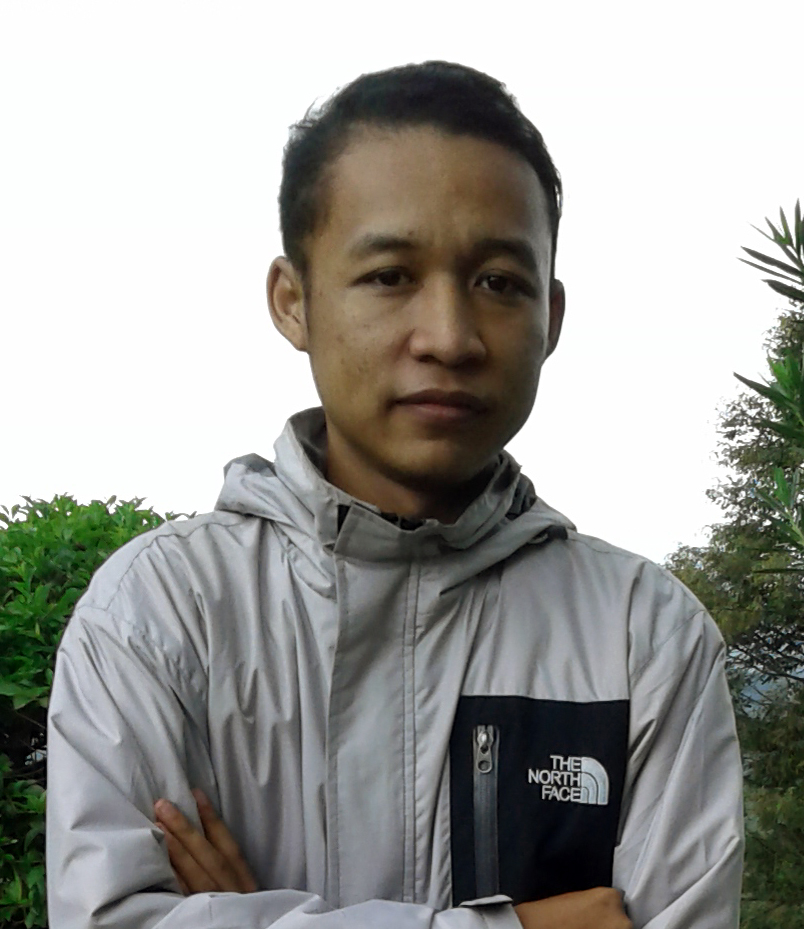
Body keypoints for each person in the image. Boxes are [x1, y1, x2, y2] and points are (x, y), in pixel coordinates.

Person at [46, 61, 743, 929]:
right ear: (293, 301)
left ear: (552, 318)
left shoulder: (645, 641)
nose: (449, 337)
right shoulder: (158, 619)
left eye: (498, 282)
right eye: (389, 275)